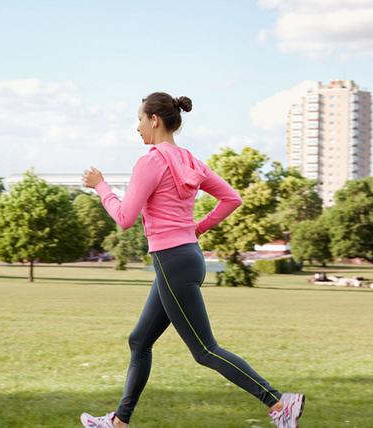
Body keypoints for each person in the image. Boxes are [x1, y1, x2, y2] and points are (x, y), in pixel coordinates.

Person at [80, 92, 304, 428]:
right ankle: (118, 422)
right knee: (139, 340)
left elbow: (125, 217)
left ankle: (277, 403)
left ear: (155, 119)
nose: (137, 127)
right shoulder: (190, 160)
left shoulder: (151, 161)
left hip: (172, 261)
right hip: (185, 258)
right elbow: (232, 198)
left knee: (204, 349)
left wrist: (101, 188)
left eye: (140, 119)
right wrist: (195, 230)